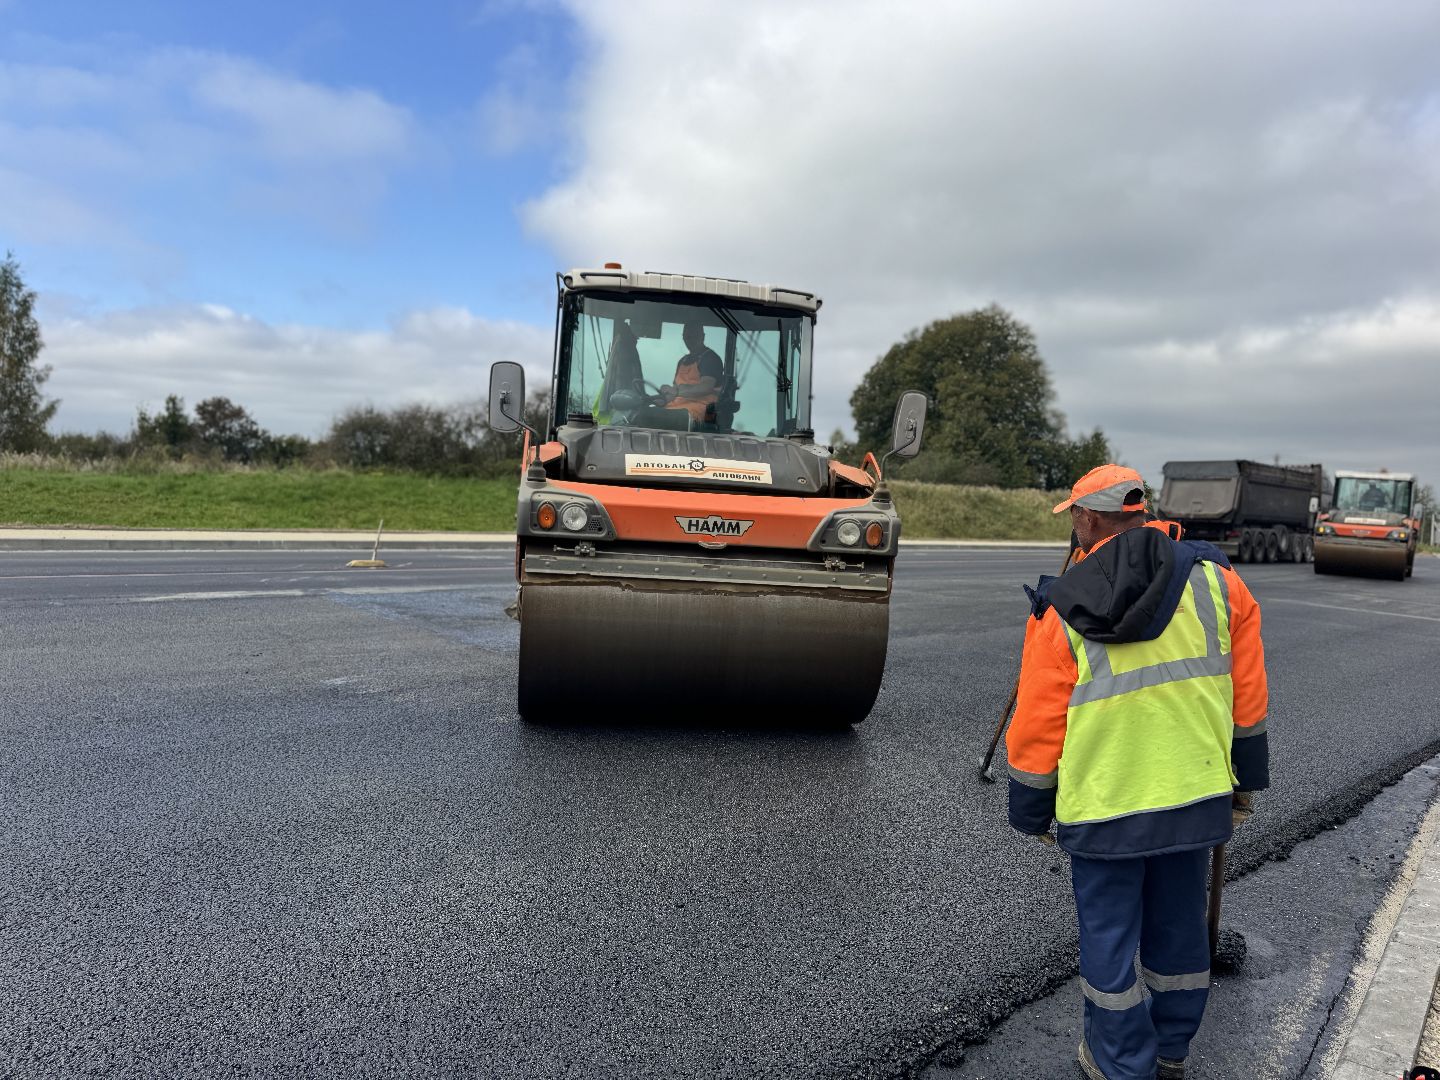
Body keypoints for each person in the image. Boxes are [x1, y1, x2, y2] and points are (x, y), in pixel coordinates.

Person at [1005, 464, 1269, 1080]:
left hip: (1104, 807)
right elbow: (1248, 697)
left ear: (1088, 519)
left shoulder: (1061, 605)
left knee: (1109, 939)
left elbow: (1038, 726)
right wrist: (1244, 779)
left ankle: (1119, 1062)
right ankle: (1171, 1049)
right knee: (1180, 928)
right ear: (1141, 512)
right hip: (1194, 793)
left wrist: (1031, 810)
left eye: (1074, 516)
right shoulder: (1220, 583)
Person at [659, 320, 723, 423]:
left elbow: (706, 387)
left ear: (702, 336)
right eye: (687, 336)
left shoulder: (710, 358)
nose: (691, 339)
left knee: (662, 419)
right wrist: (662, 398)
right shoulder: (682, 361)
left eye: (695, 335)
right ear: (683, 337)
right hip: (677, 408)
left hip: (699, 413)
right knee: (647, 413)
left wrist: (676, 391)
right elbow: (674, 390)